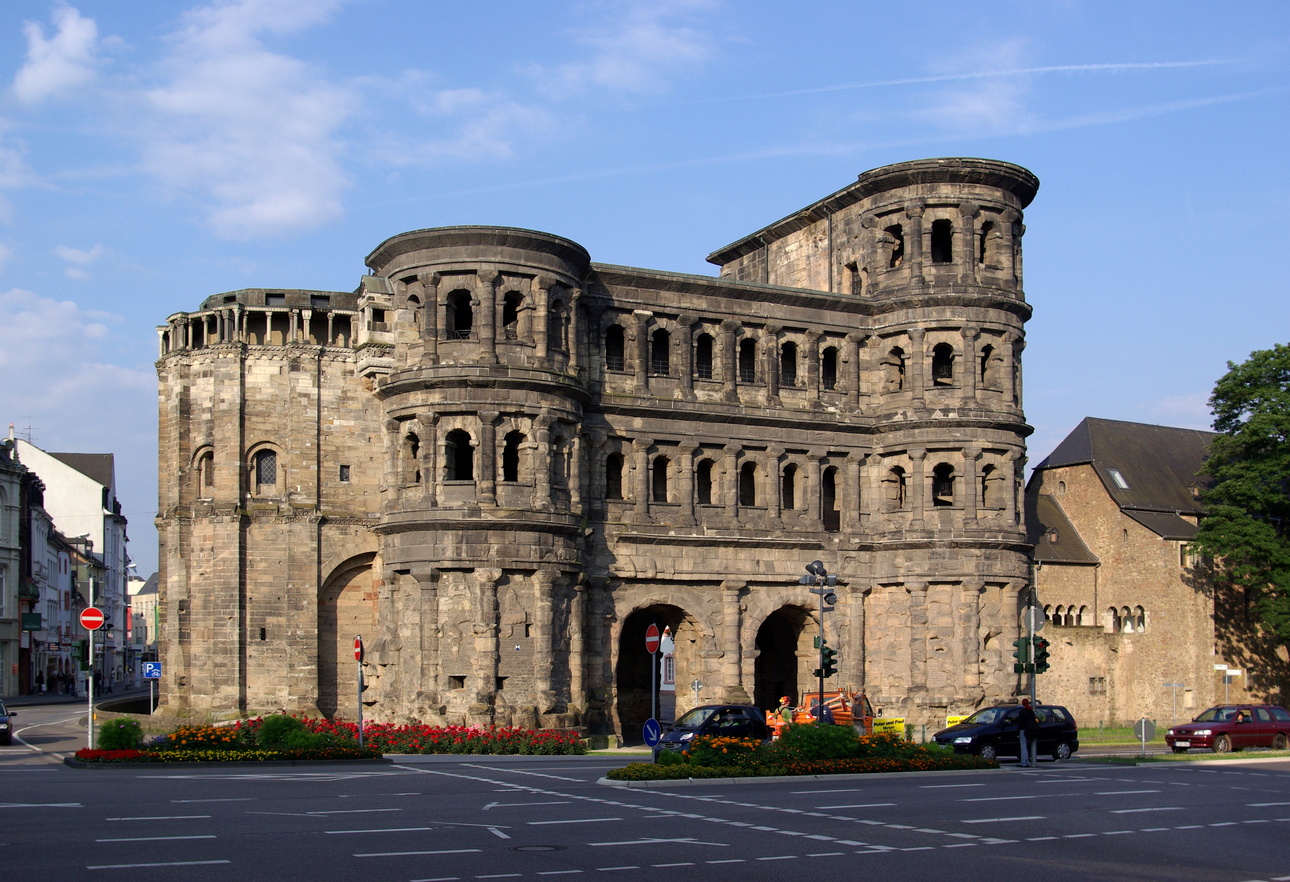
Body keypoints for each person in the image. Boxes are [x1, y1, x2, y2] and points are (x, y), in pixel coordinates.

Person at [1017, 698, 1039, 767]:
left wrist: (1018, 731)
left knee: (1023, 747)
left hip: (1023, 730)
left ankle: (1024, 762)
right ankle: (1027, 761)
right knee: (1027, 746)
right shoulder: (1031, 711)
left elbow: (1020, 722)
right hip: (1030, 730)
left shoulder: (1022, 711)